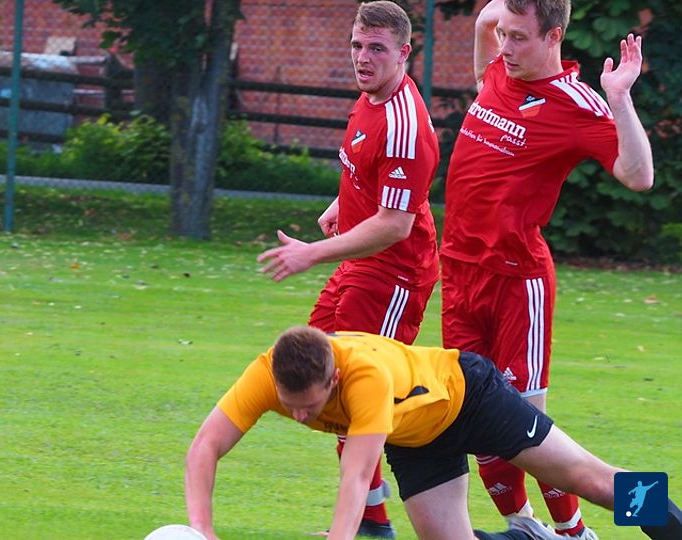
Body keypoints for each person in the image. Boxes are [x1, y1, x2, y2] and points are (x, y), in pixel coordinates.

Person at [440, 0, 654, 537]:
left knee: (527, 432)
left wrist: (620, 98)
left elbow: (639, 176)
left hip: (517, 282)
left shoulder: (575, 102)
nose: (505, 47)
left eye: (519, 38)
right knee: (477, 423)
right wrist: (503, 21)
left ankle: (580, 532)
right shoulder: (497, 72)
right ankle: (526, 527)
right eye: (505, 34)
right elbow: (485, 21)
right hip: (460, 275)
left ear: (554, 36)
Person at [183, 326, 682, 540]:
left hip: (472, 397)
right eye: (288, 405)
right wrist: (201, 528)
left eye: (308, 407)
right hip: (417, 439)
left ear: (332, 379)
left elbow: (356, 476)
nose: (298, 416)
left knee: (590, 481)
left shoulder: (364, 377)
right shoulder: (265, 374)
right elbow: (206, 446)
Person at [257, 2, 440, 536]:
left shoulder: (405, 124)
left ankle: (375, 519)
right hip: (362, 265)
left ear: (404, 53)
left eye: (376, 49)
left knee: (357, 394)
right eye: (357, 45)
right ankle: (371, 519)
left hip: (394, 275)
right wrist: (343, 204)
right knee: (319, 378)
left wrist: (312, 252)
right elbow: (373, 178)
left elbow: (396, 225)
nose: (362, 58)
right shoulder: (370, 99)